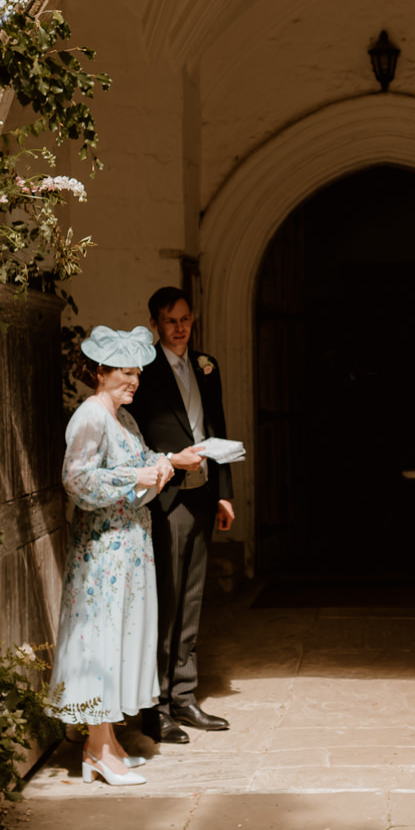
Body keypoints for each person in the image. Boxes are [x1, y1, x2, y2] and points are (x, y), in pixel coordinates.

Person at [46, 325, 207, 785]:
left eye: (137, 372)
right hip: (103, 551)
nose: (135, 381)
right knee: (101, 639)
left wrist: (166, 463)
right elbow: (78, 482)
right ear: (101, 371)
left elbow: (134, 465)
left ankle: (109, 742)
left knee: (120, 639)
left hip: (128, 546)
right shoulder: (91, 416)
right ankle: (97, 749)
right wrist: (140, 476)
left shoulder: (123, 416)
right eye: (126, 372)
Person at [128, 286, 235, 744]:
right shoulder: (144, 372)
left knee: (191, 598)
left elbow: (218, 428)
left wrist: (225, 493)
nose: (180, 328)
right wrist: (168, 462)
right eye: (171, 321)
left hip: (202, 495)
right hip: (165, 496)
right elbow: (132, 434)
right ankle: (157, 706)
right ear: (155, 323)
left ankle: (186, 695)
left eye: (186, 319)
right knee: (165, 601)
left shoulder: (206, 367)